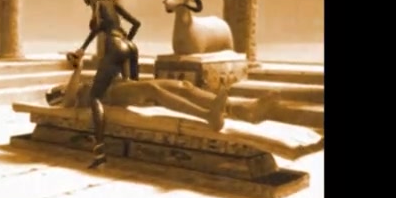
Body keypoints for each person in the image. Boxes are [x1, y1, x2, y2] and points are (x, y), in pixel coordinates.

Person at [46, 55, 281, 167]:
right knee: (153, 90)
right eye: (59, 89)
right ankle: (208, 116)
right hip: (113, 95)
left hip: (120, 86)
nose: (61, 87)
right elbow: (67, 101)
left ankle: (242, 110)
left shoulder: (79, 85)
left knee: (183, 86)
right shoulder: (73, 96)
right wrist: (77, 68)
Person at [69, 0, 144, 168]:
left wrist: (82, 49)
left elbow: (97, 27)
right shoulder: (111, 3)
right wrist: (83, 48)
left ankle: (100, 152)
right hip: (130, 47)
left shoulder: (97, 4)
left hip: (115, 47)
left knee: (95, 97)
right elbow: (136, 23)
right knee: (136, 92)